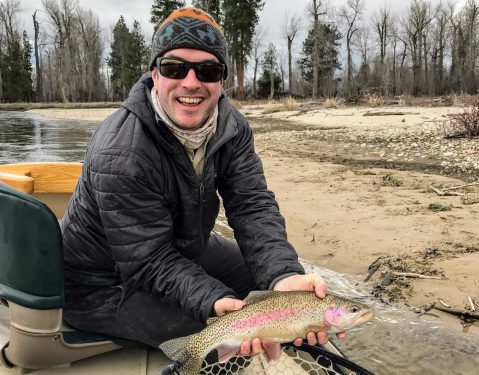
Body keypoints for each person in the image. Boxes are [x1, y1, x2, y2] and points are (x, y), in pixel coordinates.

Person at [61, 7, 344, 358]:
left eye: (207, 70)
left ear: (221, 78)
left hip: (180, 248)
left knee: (280, 290)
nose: (191, 82)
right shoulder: (122, 152)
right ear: (154, 73)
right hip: (102, 284)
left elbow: (251, 204)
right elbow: (148, 261)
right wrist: (212, 300)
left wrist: (283, 278)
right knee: (220, 342)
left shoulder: (230, 125)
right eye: (174, 68)